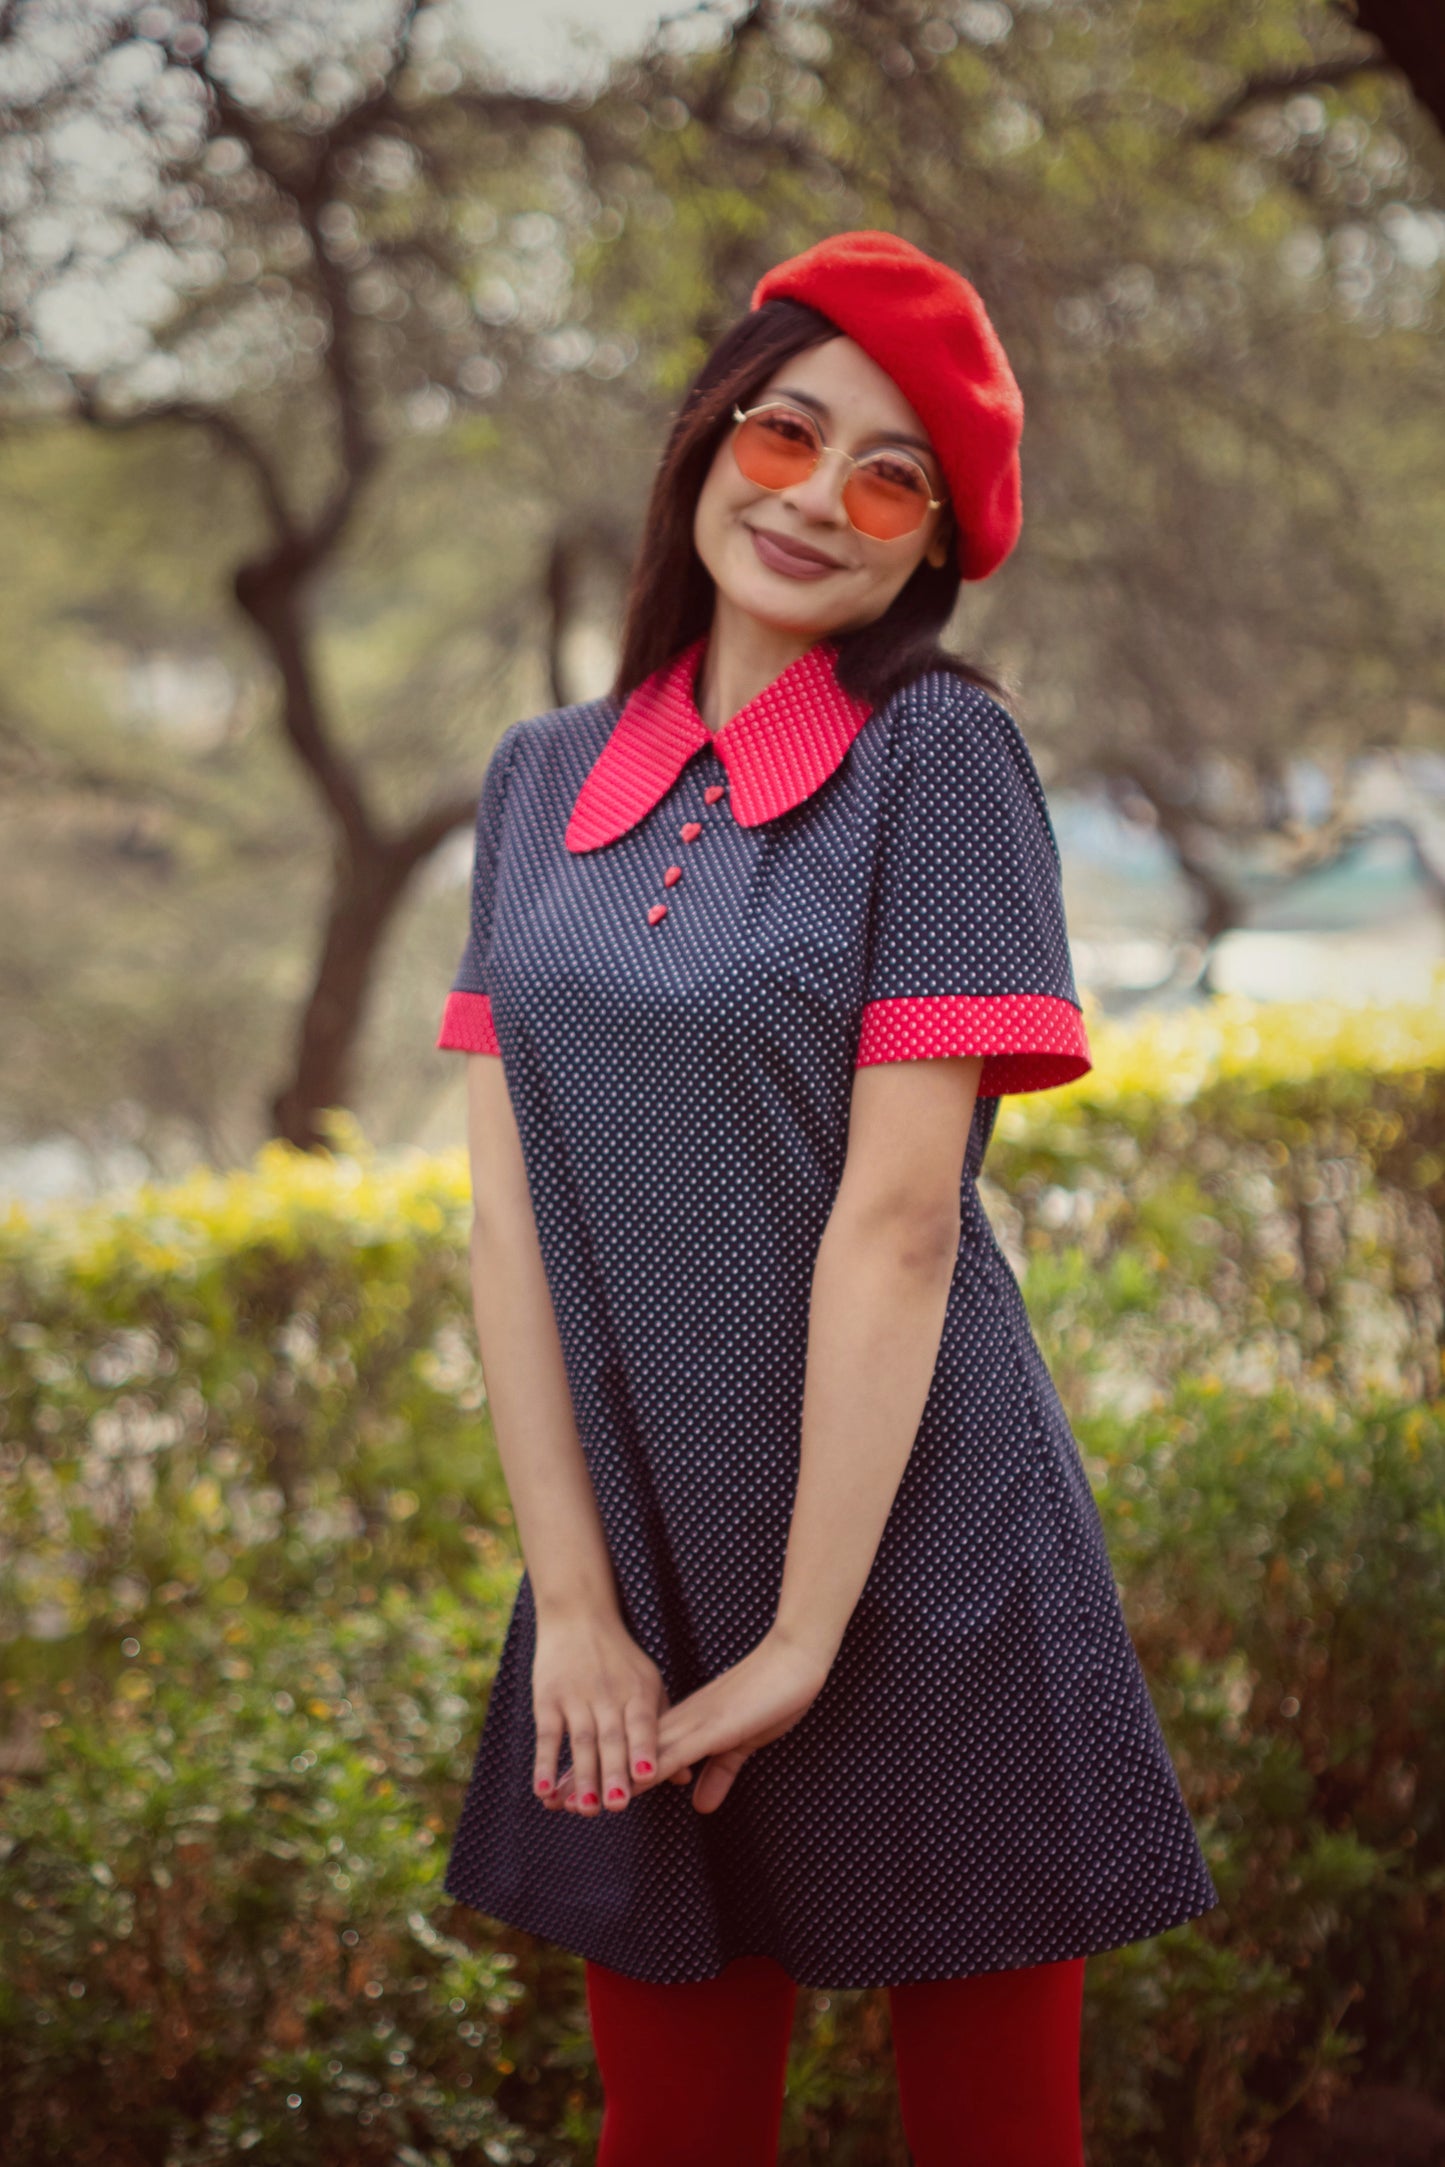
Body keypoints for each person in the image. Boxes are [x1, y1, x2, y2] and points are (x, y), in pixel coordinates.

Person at [434, 230, 1219, 2166]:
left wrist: (799, 1640)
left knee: (996, 2133)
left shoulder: (935, 758)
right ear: (708, 438)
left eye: (890, 478)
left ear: (929, 549)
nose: (815, 499)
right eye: (787, 431)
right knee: (670, 2128)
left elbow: (902, 1224)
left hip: (922, 1540)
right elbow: (508, 1212)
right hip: (641, 1560)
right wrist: (575, 1605)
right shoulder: (537, 782)